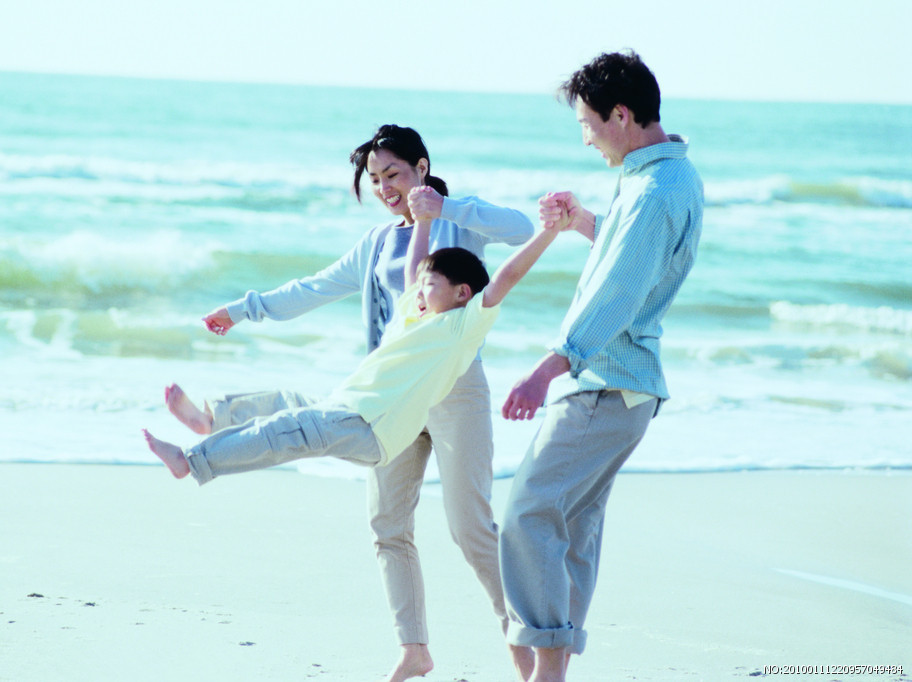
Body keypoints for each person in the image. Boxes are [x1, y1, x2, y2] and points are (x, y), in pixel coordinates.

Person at [196, 124, 534, 681]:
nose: (384, 188)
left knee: (470, 529)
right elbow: (313, 288)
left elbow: (521, 229)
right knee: (388, 525)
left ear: (421, 168)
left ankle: (522, 639)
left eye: (392, 174)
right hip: (389, 398)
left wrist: (445, 207)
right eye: (374, 180)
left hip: (454, 391)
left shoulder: (457, 223)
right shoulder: (377, 243)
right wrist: (242, 309)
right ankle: (414, 650)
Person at [145, 214, 564, 533]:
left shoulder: (460, 325)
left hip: (372, 427)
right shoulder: (412, 312)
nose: (419, 291)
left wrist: (549, 232)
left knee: (285, 429)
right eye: (419, 285)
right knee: (284, 403)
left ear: (462, 293)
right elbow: (414, 266)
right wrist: (422, 222)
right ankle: (211, 419)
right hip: (347, 408)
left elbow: (507, 276)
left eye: (430, 285)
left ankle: (192, 462)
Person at [497, 51, 704, 682]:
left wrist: (547, 368)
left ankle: (545, 665)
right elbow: (632, 255)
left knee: (528, 514)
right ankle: (553, 670)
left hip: (604, 386)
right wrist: (586, 221)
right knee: (572, 525)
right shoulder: (663, 178)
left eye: (587, 124)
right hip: (625, 389)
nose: (585, 139)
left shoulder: (654, 192)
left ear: (620, 115)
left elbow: (617, 293)